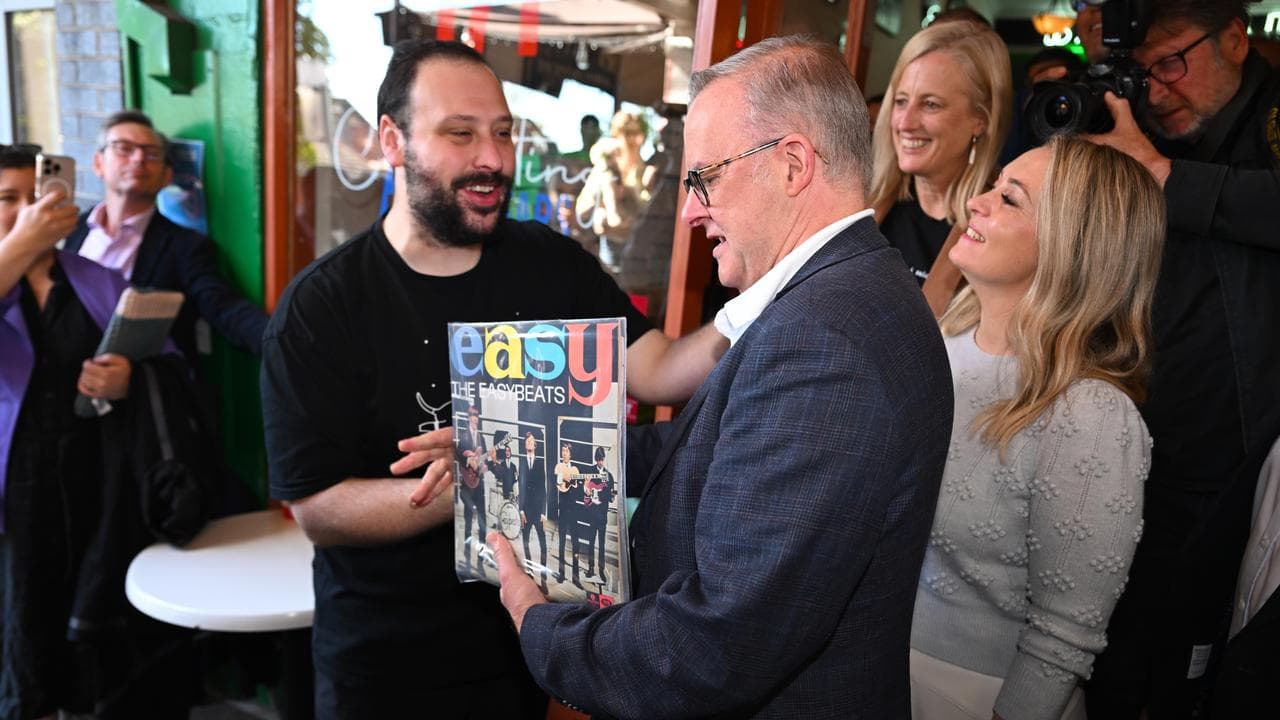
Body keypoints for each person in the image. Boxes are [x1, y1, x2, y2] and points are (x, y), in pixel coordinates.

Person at [412, 35, 954, 717]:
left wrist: (539, 622)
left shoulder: (825, 342)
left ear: (792, 164)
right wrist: (525, 455)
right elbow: (721, 450)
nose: (691, 209)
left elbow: (715, 645)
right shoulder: (847, 294)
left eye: (706, 178)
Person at [261, 39, 726, 720]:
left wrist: (763, 300)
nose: (493, 158)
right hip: (383, 668)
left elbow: (659, 370)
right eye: (461, 134)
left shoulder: (552, 265)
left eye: (503, 132)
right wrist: (481, 480)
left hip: (523, 645)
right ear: (392, 140)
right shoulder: (322, 307)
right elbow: (317, 510)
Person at [910, 135, 1165, 720]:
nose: (975, 202)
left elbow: (1064, 634)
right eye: (993, 185)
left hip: (979, 698)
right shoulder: (941, 345)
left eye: (1010, 199)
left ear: (1073, 246)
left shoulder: (1091, 415)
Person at [1081, 1, 1280, 716]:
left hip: (1238, 457)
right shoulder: (1141, 123)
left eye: (1172, 62)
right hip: (1134, 438)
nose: (1157, 90)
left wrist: (1163, 175)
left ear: (1235, 37)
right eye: (1141, 72)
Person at [0, 145, 195, 718]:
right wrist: (18, 248)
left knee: (95, 634)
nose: (28, 209)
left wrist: (129, 376)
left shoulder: (100, 280)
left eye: (38, 195)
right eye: (8, 198)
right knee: (23, 631)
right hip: (14, 496)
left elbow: (171, 365)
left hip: (98, 486)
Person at [63, 110, 268, 364]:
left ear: (167, 176)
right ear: (98, 164)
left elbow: (223, 306)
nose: (138, 158)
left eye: (151, 154)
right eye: (124, 148)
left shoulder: (186, 246)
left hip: (133, 382)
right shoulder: (71, 228)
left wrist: (282, 342)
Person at [869, 20, 1012, 287]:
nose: (905, 123)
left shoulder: (1003, 228)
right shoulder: (864, 205)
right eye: (901, 101)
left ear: (981, 119)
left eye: (931, 105)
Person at [575, 111, 655, 271]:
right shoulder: (606, 163)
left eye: (638, 133)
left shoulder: (644, 169)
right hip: (609, 249)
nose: (634, 139)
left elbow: (648, 220)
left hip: (636, 250)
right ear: (617, 135)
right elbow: (585, 213)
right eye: (627, 133)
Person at [516, 430, 548, 592]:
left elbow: (543, 489)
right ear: (525, 445)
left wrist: (543, 512)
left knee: (543, 544)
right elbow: (521, 488)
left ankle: (543, 577)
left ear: (535, 445)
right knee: (525, 542)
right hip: (526, 511)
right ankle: (530, 574)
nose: (529, 443)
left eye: (531, 441)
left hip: (538, 511)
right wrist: (521, 511)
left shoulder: (540, 463)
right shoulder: (521, 462)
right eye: (527, 441)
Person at [552, 442, 585, 587]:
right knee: (561, 542)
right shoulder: (559, 467)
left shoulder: (575, 470)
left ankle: (576, 577)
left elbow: (578, 491)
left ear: (571, 454)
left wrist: (577, 483)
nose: (564, 453)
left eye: (566, 451)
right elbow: (558, 482)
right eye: (563, 450)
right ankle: (561, 573)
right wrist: (565, 478)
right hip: (563, 509)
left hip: (574, 510)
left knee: (576, 543)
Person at [580, 445, 614, 585]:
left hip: (603, 513)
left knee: (601, 543)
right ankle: (590, 568)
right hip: (592, 512)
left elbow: (610, 496)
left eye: (601, 459)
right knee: (591, 541)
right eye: (598, 459)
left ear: (604, 459)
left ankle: (601, 570)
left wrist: (606, 494)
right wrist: (586, 489)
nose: (600, 462)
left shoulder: (608, 475)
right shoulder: (590, 471)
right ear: (596, 459)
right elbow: (584, 488)